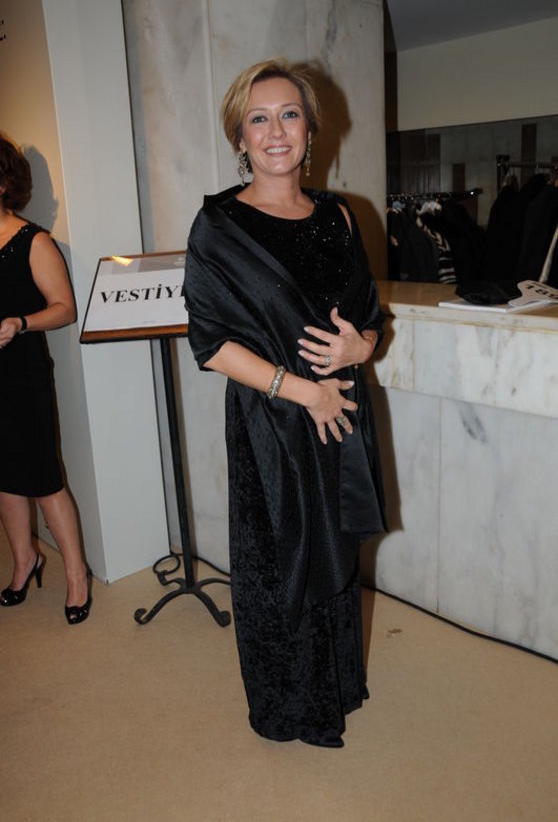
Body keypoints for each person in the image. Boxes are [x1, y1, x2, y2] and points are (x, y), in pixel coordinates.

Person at [184, 60, 385, 747]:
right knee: (280, 562)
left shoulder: (339, 214)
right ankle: (289, 707)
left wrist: (360, 348)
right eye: (259, 118)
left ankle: (336, 688)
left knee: (336, 553)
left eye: (289, 115)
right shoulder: (219, 225)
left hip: (341, 412)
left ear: (311, 130)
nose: (276, 131)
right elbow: (211, 344)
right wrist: (303, 390)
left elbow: (368, 315)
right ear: (240, 137)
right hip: (272, 421)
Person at [0, 134, 91, 624]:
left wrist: (20, 322)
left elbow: (65, 309)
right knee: (3, 478)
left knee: (43, 477)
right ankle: (25, 561)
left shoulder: (32, 241)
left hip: (22, 375)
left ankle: (77, 577)